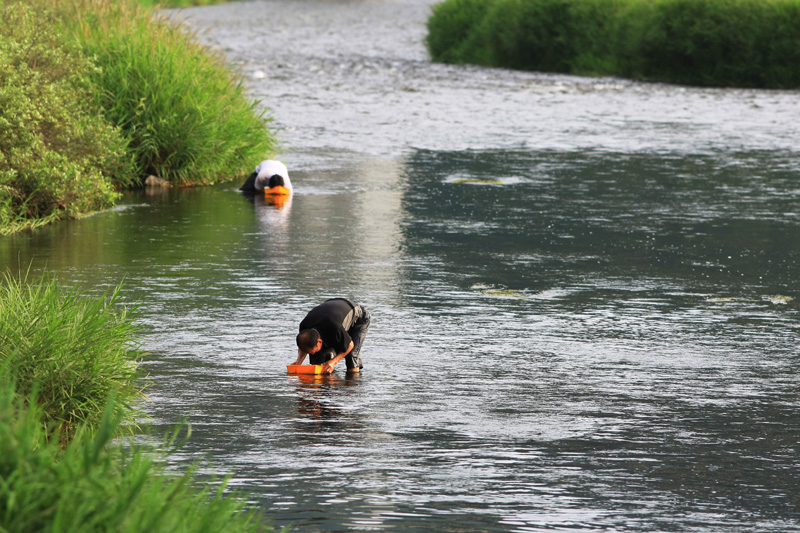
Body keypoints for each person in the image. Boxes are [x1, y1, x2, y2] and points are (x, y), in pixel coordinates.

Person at [293, 298, 370, 374]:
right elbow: (303, 346)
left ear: (319, 341)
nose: (311, 354)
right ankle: (324, 383)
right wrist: (298, 361)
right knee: (318, 356)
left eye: (312, 351)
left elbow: (350, 345)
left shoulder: (334, 328)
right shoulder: (304, 327)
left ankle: (353, 383)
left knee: (351, 355)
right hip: (332, 310)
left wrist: (333, 362)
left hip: (358, 317)